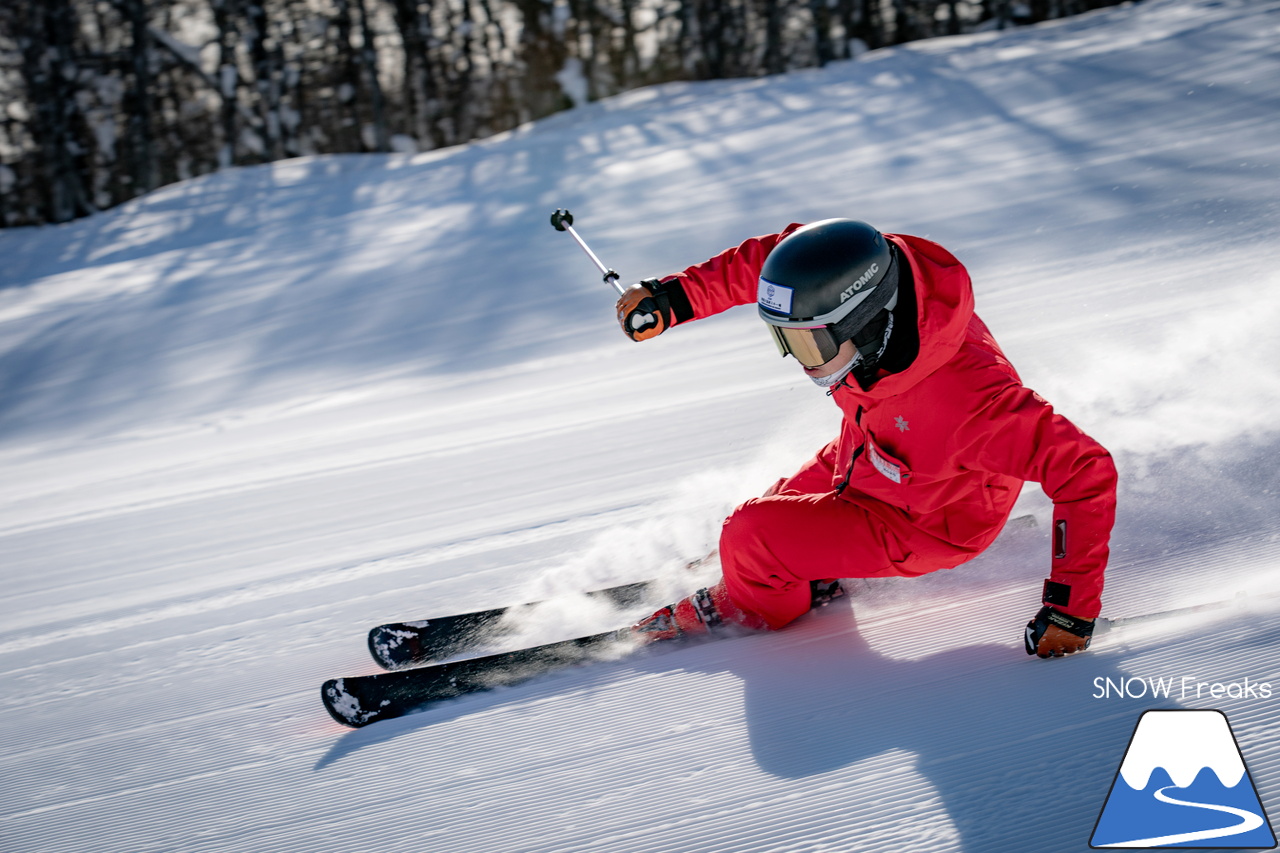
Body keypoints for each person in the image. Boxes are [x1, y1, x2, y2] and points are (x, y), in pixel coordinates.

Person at [615, 219, 1117, 658]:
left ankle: (748, 603)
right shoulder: (873, 274)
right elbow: (772, 263)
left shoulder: (972, 402)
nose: (799, 360)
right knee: (769, 515)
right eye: (785, 339)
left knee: (751, 533)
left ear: (866, 320)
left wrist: (1070, 609)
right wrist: (674, 298)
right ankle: (763, 567)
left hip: (925, 522)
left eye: (808, 341)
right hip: (878, 452)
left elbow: (1085, 470)